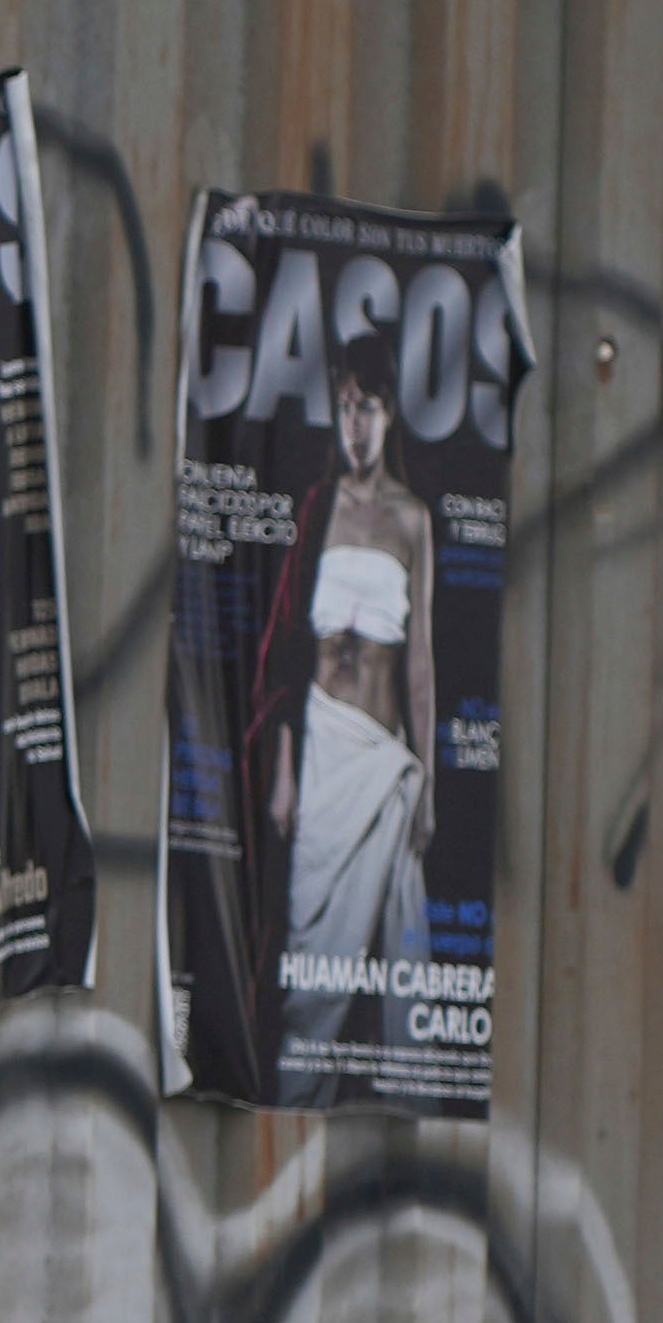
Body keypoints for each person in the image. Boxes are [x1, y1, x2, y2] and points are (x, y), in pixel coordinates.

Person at [248, 360, 444, 1095]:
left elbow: (419, 660)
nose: (355, 423)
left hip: (383, 758)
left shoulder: (412, 519)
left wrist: (427, 778)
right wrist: (283, 771)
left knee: (403, 972)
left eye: (367, 407)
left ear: (390, 414)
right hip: (323, 750)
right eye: (344, 407)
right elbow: (288, 651)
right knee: (308, 965)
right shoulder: (315, 508)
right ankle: (294, 1111)